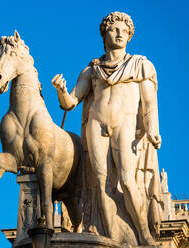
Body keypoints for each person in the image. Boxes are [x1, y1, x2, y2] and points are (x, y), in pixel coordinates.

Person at [52, 12, 161, 245]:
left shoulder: (140, 65)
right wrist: (61, 90)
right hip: (96, 122)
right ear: (104, 34)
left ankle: (143, 235)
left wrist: (152, 128)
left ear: (130, 35)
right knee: (98, 182)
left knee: (127, 180)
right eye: (114, 29)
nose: (120, 33)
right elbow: (70, 102)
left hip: (125, 124)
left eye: (124, 30)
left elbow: (149, 103)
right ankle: (109, 235)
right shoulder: (92, 69)